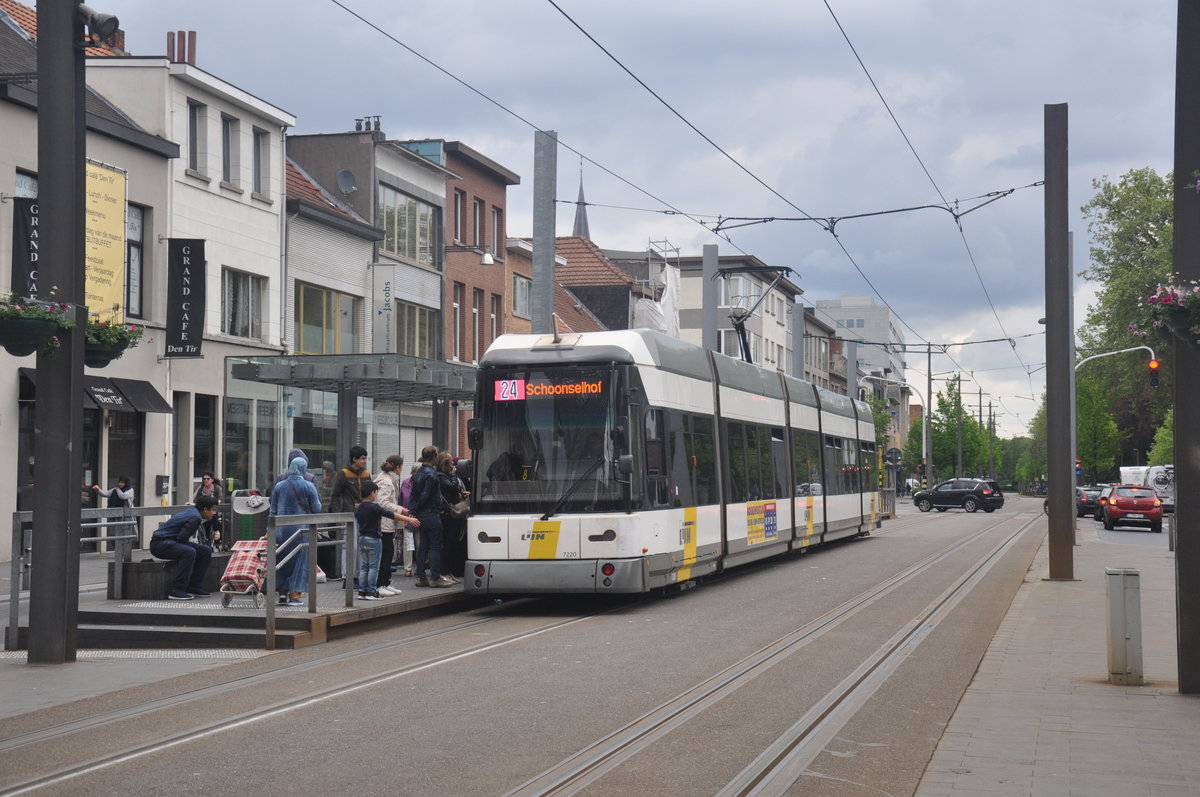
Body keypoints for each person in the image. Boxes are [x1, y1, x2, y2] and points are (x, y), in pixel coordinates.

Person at [354, 479, 420, 600]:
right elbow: (390, 514)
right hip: (374, 539)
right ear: (372, 493)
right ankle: (371, 591)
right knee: (374, 567)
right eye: (376, 493)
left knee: (364, 567)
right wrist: (408, 519)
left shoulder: (359, 508)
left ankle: (362, 591)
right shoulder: (374, 507)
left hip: (362, 538)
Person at [269, 455, 321, 606]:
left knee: (282, 560)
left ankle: (282, 593)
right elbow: (316, 508)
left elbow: (273, 510)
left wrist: (269, 530)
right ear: (303, 468)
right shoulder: (308, 486)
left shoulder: (279, 486)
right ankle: (295, 596)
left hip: (280, 531)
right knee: (300, 562)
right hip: (301, 530)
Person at [149, 495, 218, 600]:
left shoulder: (193, 512)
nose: (214, 513)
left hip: (170, 541)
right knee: (189, 552)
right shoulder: (195, 518)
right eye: (213, 510)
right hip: (159, 544)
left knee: (206, 551)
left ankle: (194, 586)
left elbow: (181, 539)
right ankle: (177, 590)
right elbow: (182, 538)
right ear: (205, 509)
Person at [408, 446, 455, 588]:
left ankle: (421, 577)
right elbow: (426, 494)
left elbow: (414, 494)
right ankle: (435, 577)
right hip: (431, 513)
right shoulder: (432, 475)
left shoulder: (418, 473)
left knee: (423, 546)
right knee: (435, 546)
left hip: (420, 515)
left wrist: (413, 510)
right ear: (434, 457)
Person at [375, 455, 407, 590]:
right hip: (384, 523)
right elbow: (383, 503)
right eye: (401, 466)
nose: (402, 469)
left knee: (388, 553)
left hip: (386, 522)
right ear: (397, 467)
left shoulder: (387, 479)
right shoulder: (386, 481)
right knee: (386, 553)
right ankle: (381, 584)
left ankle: (385, 582)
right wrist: (400, 509)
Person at [436, 452, 469, 580]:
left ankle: (449, 572)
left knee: (452, 544)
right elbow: (453, 487)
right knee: (447, 544)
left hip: (451, 514)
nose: (453, 464)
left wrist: (461, 495)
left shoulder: (446, 476)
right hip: (446, 514)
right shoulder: (441, 476)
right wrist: (454, 474)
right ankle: (444, 572)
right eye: (450, 462)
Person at [329, 446, 370, 513]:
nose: (365, 461)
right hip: (348, 513)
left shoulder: (367, 474)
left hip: (364, 513)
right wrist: (338, 515)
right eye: (362, 459)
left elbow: (371, 495)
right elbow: (335, 496)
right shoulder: (344, 473)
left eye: (365, 458)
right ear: (354, 459)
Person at [399, 464, 421, 576]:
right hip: (407, 517)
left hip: (420, 517)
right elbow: (401, 499)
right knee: (407, 543)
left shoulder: (424, 484)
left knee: (419, 543)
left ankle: (420, 567)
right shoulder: (405, 483)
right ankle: (408, 568)